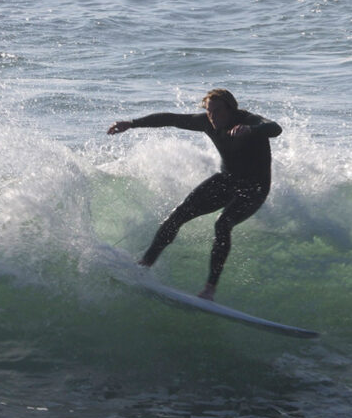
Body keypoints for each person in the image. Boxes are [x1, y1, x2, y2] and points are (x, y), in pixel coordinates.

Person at [107, 88, 282, 301]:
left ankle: (209, 289)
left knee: (222, 224)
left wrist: (251, 130)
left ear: (231, 109)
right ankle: (144, 265)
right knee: (178, 215)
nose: (213, 116)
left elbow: (275, 128)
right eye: (209, 111)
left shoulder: (250, 121)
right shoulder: (206, 122)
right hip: (226, 181)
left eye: (218, 111)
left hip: (254, 188)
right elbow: (170, 119)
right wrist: (132, 123)